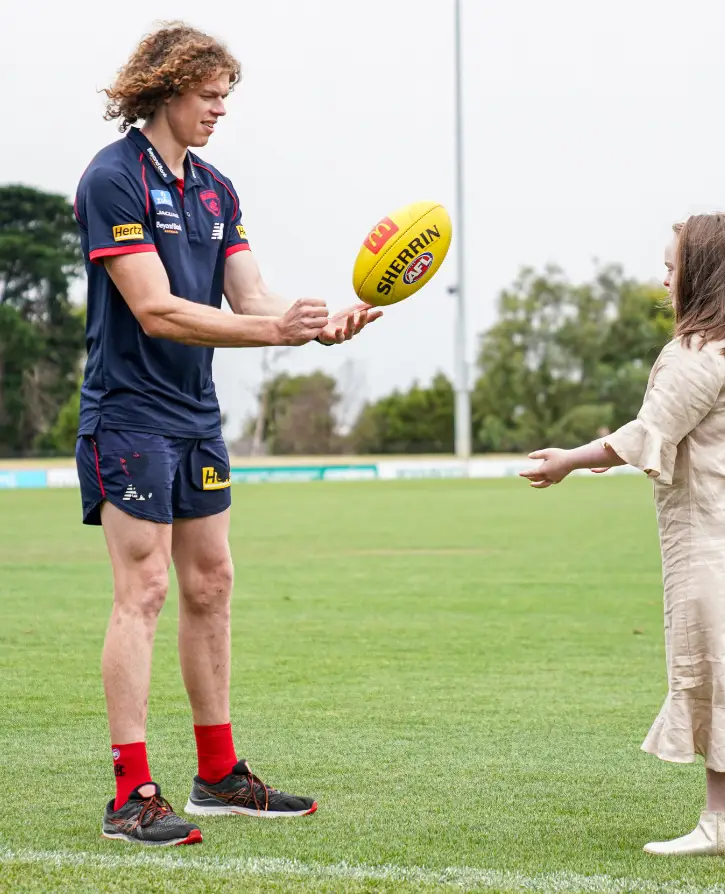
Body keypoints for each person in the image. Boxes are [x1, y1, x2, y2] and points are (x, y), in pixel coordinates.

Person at [78, 23, 379, 846]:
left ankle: (218, 775)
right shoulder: (113, 178)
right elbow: (158, 310)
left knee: (211, 584)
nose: (219, 109)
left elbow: (252, 300)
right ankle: (131, 792)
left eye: (225, 96)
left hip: (195, 418)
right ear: (164, 88)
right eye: (208, 94)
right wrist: (276, 335)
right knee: (142, 591)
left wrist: (314, 324)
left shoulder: (216, 189)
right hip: (131, 414)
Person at [522, 212, 725, 857]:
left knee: (720, 675)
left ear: (698, 273)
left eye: (672, 267)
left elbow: (647, 434)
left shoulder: (695, 351)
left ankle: (720, 825)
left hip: (721, 534)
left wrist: (567, 462)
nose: (663, 279)